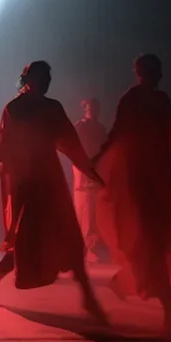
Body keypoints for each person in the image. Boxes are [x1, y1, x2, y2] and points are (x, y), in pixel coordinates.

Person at [0, 62, 107, 321]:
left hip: (51, 180)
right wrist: (1, 164)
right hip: (27, 183)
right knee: (27, 242)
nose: (48, 81)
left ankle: (89, 298)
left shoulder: (52, 107)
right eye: (43, 76)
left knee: (69, 236)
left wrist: (89, 169)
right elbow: (2, 144)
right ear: (29, 78)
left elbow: (70, 142)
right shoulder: (15, 109)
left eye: (50, 76)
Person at [95, 54, 171, 328]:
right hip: (139, 179)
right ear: (143, 72)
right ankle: (168, 310)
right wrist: (99, 158)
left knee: (158, 240)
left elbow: (170, 134)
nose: (159, 75)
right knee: (152, 241)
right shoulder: (133, 98)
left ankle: (128, 283)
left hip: (157, 176)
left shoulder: (161, 100)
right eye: (155, 70)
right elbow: (117, 132)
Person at [71, 98, 108, 263]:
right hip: (83, 172)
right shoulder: (80, 127)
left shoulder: (100, 128)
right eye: (91, 108)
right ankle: (86, 249)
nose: (93, 111)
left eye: (96, 108)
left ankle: (91, 247)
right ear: (85, 108)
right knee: (85, 211)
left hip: (97, 172)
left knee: (96, 212)